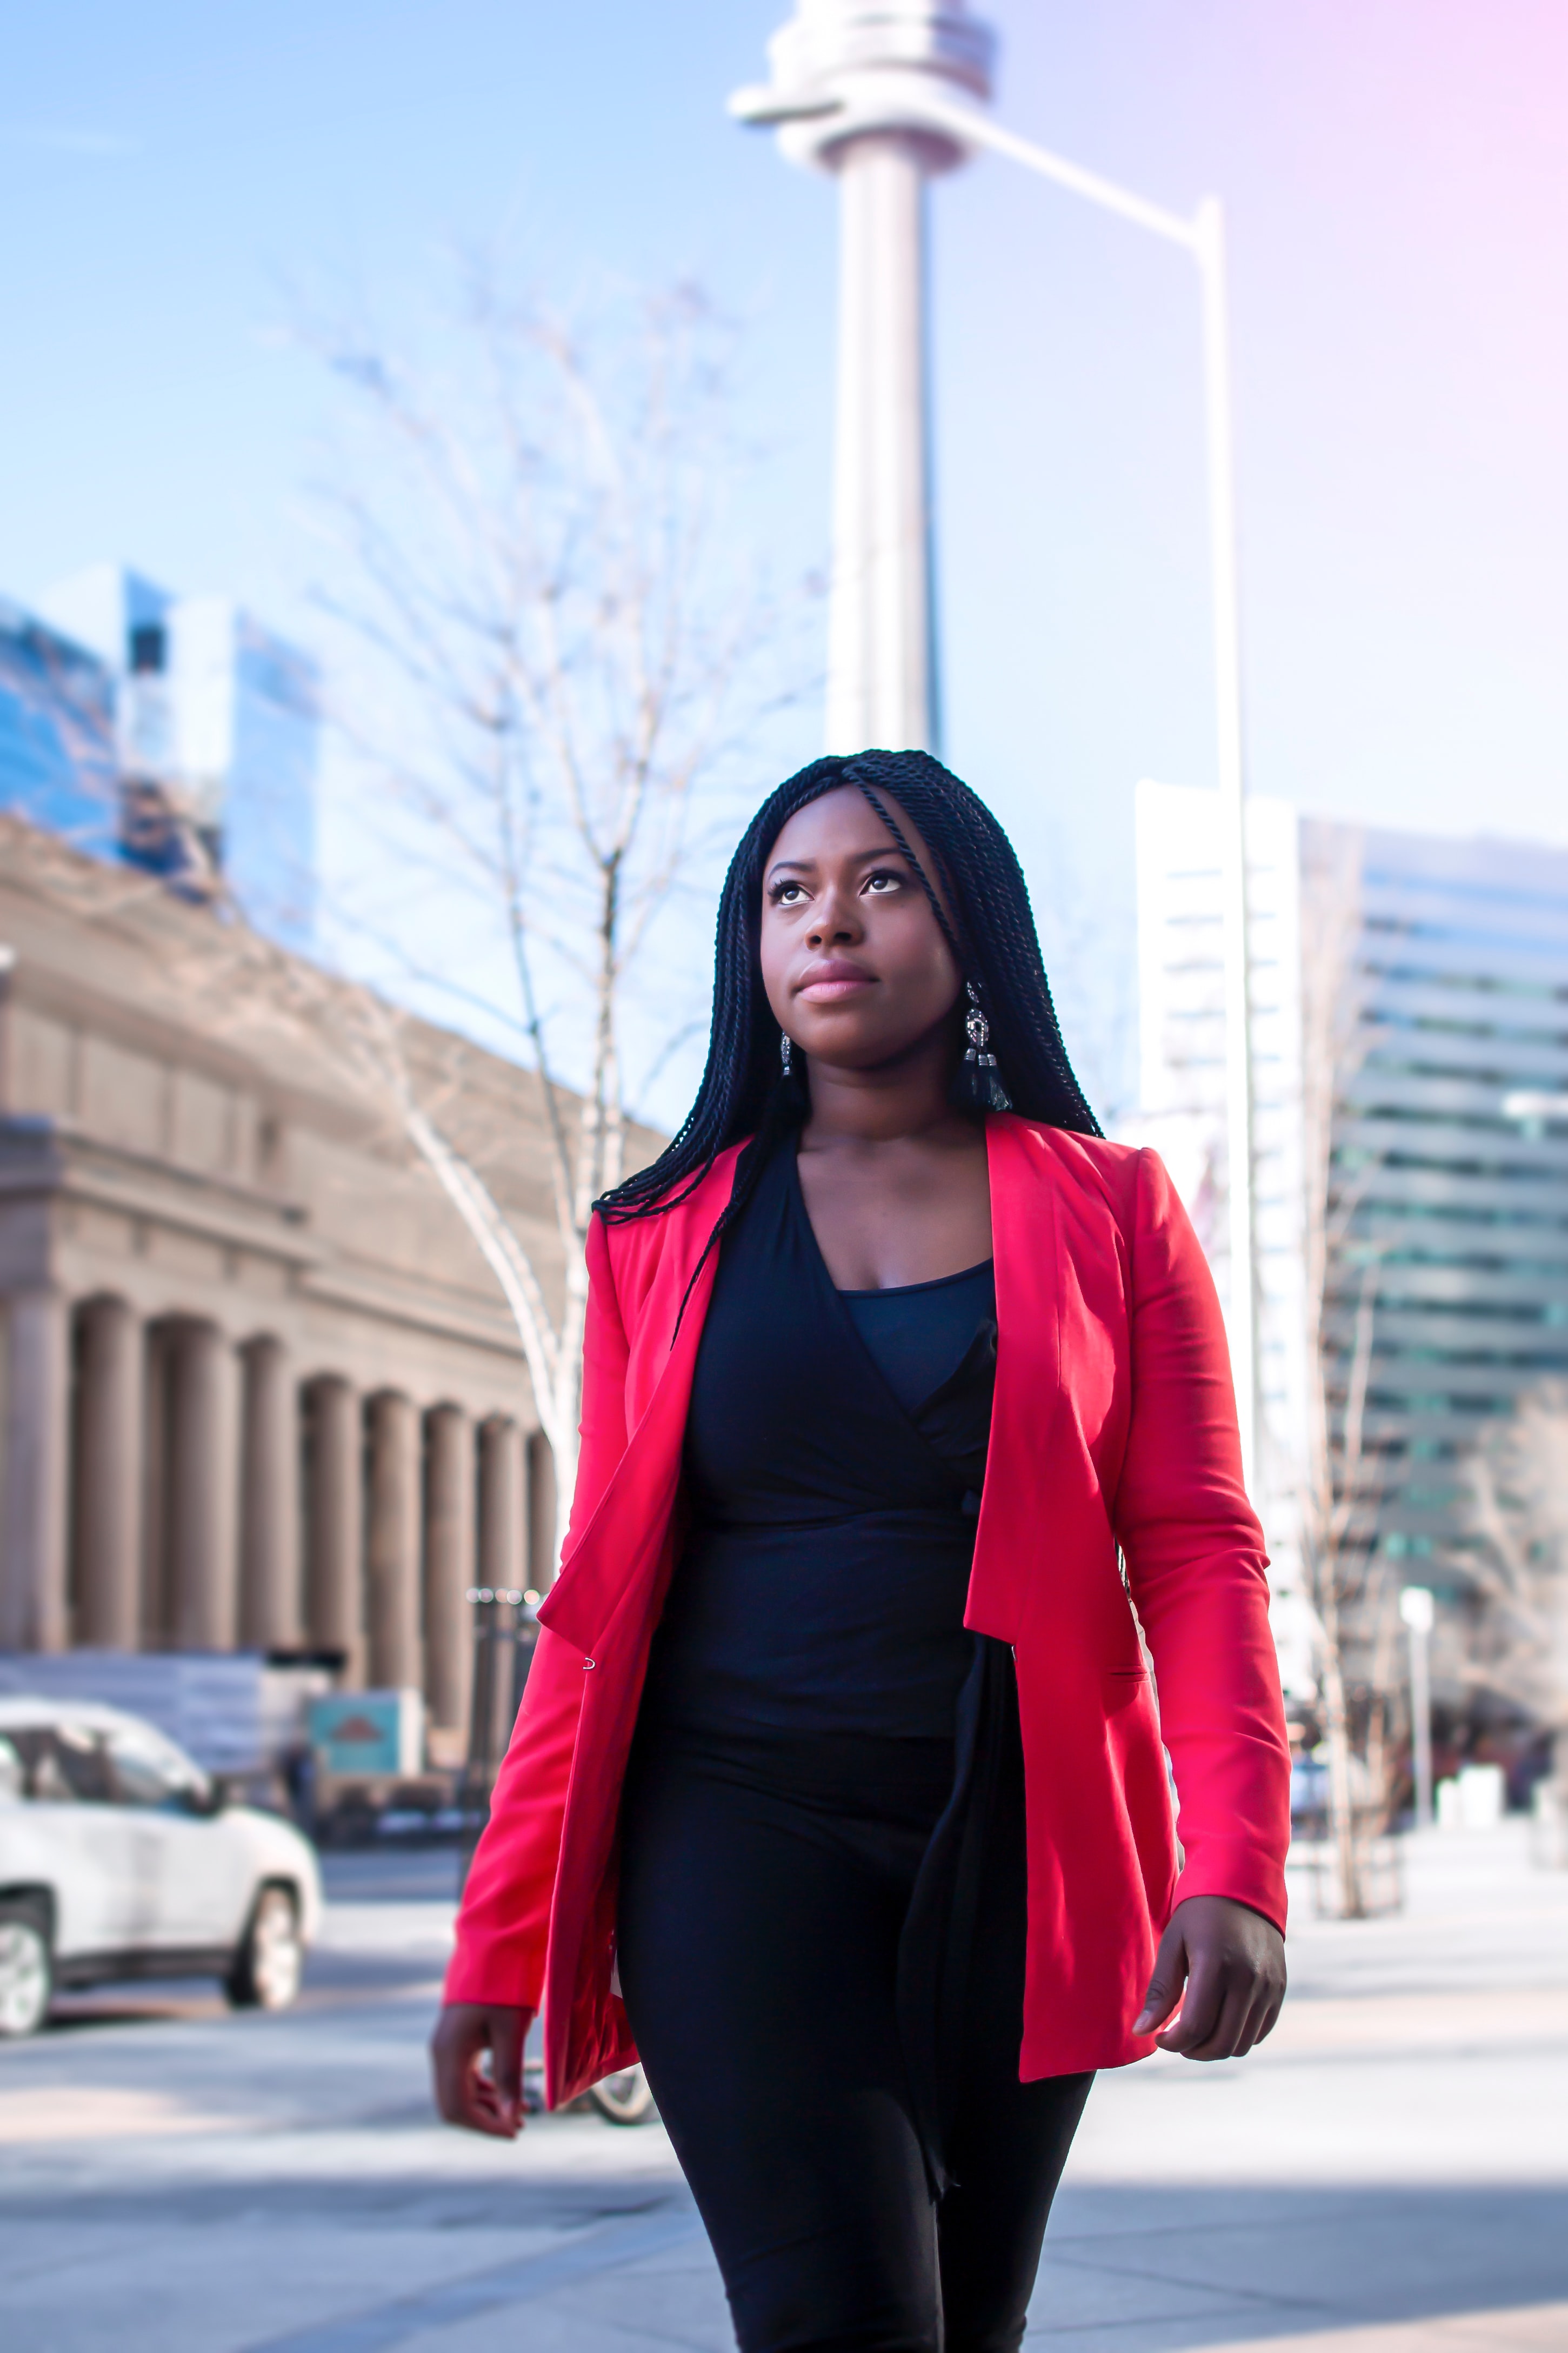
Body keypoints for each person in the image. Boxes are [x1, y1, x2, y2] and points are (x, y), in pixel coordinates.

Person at [432, 749, 1291, 2353]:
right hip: (736, 1831)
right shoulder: (658, 1231)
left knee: (968, 2326)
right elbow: (594, 1609)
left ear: (971, 927)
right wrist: (503, 1930)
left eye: (882, 880)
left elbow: (1194, 1551)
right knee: (840, 2319)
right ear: (751, 949)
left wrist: (1233, 1860)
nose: (830, 922)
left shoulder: (1114, 1210)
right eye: (789, 892)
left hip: (1023, 1850)